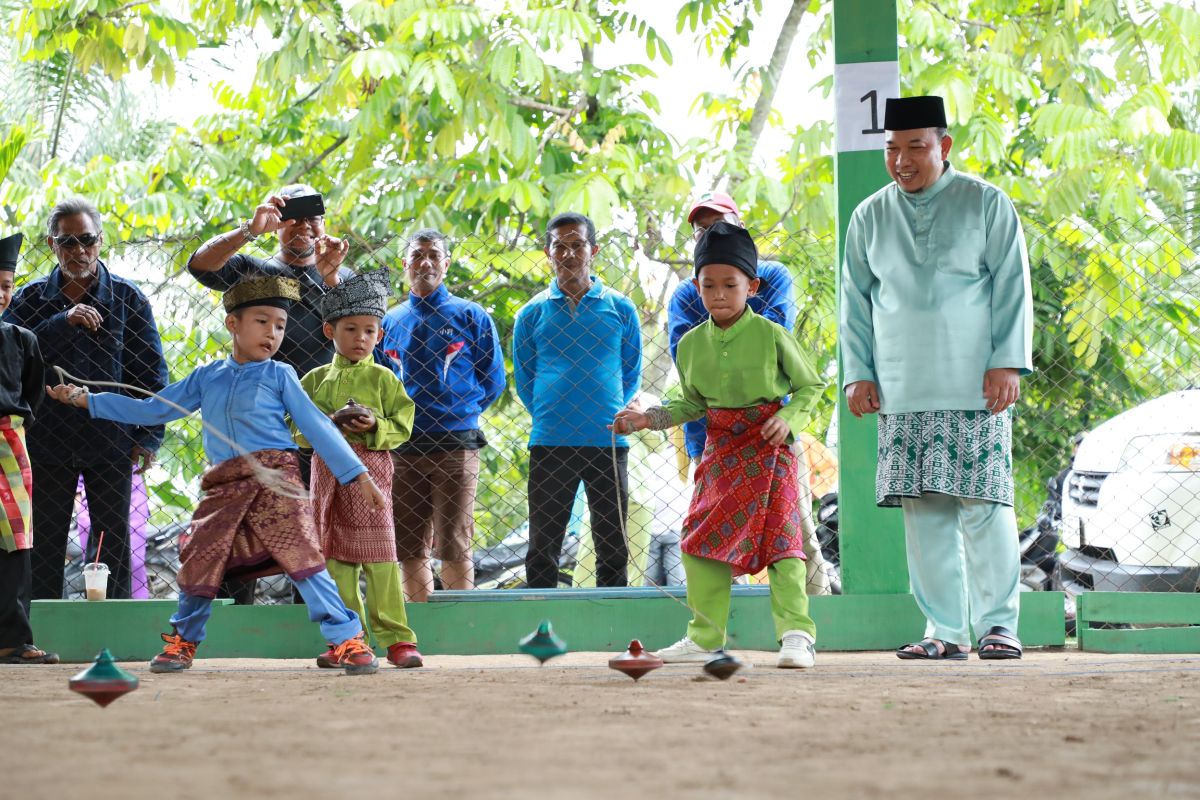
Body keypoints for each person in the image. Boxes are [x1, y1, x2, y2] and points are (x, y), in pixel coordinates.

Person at [47, 276, 386, 675]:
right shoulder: (207, 377)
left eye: (280, 325)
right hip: (223, 487)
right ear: (233, 324)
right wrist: (87, 399)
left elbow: (316, 426)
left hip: (277, 483)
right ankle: (183, 641)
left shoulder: (281, 375)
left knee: (303, 555)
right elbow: (152, 410)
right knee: (199, 557)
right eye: (262, 322)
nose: (273, 333)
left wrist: (357, 474)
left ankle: (346, 638)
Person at [840, 95, 1033, 661]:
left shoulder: (986, 203)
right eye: (891, 149)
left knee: (985, 504)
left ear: (943, 147)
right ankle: (943, 631)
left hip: (977, 385)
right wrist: (858, 373)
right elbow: (855, 302)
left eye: (915, 147)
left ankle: (998, 626)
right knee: (923, 510)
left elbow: (1012, 286)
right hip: (901, 389)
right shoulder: (868, 216)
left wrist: (1007, 361)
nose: (902, 160)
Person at [614, 222, 824, 669]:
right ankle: (704, 637)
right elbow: (690, 404)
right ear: (696, 286)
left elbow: (811, 386)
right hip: (721, 451)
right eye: (709, 285)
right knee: (698, 539)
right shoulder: (689, 345)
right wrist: (646, 420)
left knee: (782, 541)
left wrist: (788, 419)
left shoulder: (771, 334)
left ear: (752, 286)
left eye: (731, 284)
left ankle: (796, 636)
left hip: (770, 450)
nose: (720, 294)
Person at [3, 197, 168, 601]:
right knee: (41, 544)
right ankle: (36, 634)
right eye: (68, 242)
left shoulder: (128, 300)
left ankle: (112, 633)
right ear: (51, 244)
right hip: (44, 443)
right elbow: (9, 358)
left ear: (101, 241)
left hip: (110, 440)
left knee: (112, 542)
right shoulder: (27, 300)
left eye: (87, 240)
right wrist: (62, 321)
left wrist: (148, 436)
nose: (79, 251)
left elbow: (150, 375)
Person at [667, 190, 832, 594]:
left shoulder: (772, 275)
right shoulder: (686, 293)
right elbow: (690, 362)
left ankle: (816, 618)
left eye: (721, 223)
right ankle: (714, 628)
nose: (719, 294)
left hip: (770, 432)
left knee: (793, 532)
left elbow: (769, 340)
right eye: (702, 229)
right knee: (711, 535)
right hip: (712, 436)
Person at [298, 270, 423, 668]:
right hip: (328, 476)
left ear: (380, 336)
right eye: (350, 329)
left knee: (382, 557)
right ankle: (348, 639)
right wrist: (328, 425)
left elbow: (403, 425)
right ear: (329, 330)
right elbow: (296, 430)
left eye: (370, 331)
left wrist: (375, 427)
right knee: (335, 560)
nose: (360, 338)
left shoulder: (385, 379)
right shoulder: (313, 380)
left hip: (372, 474)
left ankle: (398, 639)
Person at [513, 212, 642, 588]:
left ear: (593, 250)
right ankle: (542, 626)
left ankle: (613, 625)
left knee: (613, 543)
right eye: (560, 246)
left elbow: (630, 370)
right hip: (550, 441)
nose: (569, 254)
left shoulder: (620, 308)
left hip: (607, 438)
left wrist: (609, 409)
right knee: (542, 545)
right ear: (548, 253)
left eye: (577, 245)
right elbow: (525, 379)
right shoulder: (531, 312)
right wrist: (553, 414)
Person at [380, 230, 505, 601]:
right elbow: (378, 381)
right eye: (417, 255)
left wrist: (458, 413)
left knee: (454, 541)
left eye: (434, 255)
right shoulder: (389, 321)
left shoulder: (471, 316)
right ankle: (420, 625)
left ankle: (459, 626)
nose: (426, 263)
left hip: (456, 446)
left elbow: (492, 379)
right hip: (402, 448)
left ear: (446, 264)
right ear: (405, 265)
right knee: (408, 544)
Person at [187, 184, 351, 378]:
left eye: (312, 218)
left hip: (328, 398)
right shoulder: (252, 270)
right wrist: (250, 229)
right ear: (276, 225)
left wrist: (331, 279)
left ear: (323, 224)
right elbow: (200, 265)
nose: (304, 225)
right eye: (294, 217)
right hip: (263, 396)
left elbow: (361, 333)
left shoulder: (344, 278)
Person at [0, 232, 58, 664]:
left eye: (6, 286)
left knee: (15, 541)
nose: (1, 294)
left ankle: (13, 639)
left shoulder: (22, 339)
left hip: (8, 443)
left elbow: (32, 396)